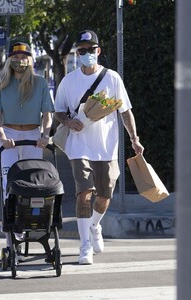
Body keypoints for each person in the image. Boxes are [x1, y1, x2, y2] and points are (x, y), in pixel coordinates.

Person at [54, 30, 144, 265]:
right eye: (81, 51)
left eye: (90, 50)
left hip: (106, 147)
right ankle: (85, 247)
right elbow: (59, 110)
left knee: (104, 195)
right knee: (84, 193)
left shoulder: (112, 78)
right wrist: (67, 121)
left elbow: (125, 111)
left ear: (98, 51)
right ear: (77, 53)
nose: (86, 54)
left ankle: (95, 225)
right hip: (78, 145)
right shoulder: (69, 80)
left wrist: (134, 139)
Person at [0, 42, 54, 248]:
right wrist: (2, 136)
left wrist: (45, 135)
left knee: (33, 182)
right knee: (9, 182)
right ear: (10, 59)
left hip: (33, 136)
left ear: (30, 60)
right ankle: (10, 227)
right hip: (9, 135)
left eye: (24, 57)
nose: (20, 61)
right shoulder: (0, 83)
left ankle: (31, 222)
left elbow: (48, 115)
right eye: (16, 57)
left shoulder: (40, 83)